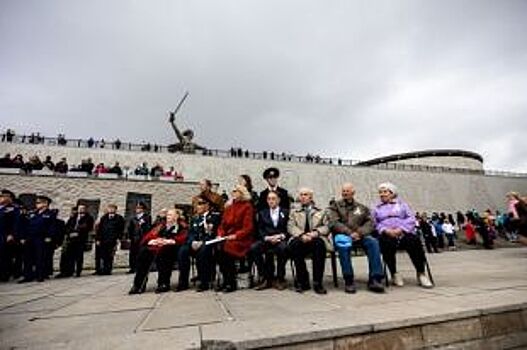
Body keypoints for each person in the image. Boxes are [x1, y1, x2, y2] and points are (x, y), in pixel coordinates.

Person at [327, 183, 385, 294]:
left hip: (360, 236)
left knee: (373, 242)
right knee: (343, 247)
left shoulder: (362, 208)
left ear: (353, 193)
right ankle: (349, 280)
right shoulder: (335, 206)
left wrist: (359, 233)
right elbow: (334, 222)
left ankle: (375, 279)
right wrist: (349, 233)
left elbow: (370, 223)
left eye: (347, 191)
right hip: (343, 236)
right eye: (343, 191)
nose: (345, 193)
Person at [373, 183, 433, 288]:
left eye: (385, 192)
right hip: (387, 234)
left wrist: (401, 229)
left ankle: (421, 273)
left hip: (403, 232)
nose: (382, 194)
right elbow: (374, 223)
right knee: (385, 242)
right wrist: (385, 230)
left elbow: (411, 219)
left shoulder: (402, 205)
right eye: (380, 192)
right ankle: (394, 273)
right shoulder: (376, 208)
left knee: (414, 241)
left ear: (392, 193)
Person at [129, 209, 188, 294]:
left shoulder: (182, 225)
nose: (168, 217)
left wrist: (168, 241)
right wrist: (153, 241)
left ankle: (163, 283)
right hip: (157, 246)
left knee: (164, 252)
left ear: (176, 216)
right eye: (167, 215)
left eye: (171, 215)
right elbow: (150, 235)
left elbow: (184, 237)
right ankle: (138, 285)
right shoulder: (161, 225)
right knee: (144, 252)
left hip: (172, 248)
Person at [288, 188, 330, 294]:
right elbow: (290, 226)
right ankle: (303, 281)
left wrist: (315, 233)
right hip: (300, 238)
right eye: (301, 194)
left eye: (305, 194)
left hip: (315, 238)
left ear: (311, 197)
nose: (302, 197)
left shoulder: (321, 211)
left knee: (320, 245)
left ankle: (318, 282)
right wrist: (302, 235)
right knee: (295, 245)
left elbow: (327, 226)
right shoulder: (294, 212)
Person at [178, 195, 221, 292]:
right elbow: (191, 233)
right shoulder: (195, 218)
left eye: (200, 204)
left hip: (209, 243)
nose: (197, 206)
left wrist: (202, 242)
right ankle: (183, 282)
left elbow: (214, 233)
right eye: (197, 204)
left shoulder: (215, 217)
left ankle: (204, 281)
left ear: (207, 205)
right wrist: (192, 241)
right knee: (183, 251)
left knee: (203, 250)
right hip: (195, 243)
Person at [216, 185, 255, 292]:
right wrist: (220, 234)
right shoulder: (229, 207)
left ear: (241, 193)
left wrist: (236, 235)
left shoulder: (247, 206)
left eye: (235, 191)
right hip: (227, 237)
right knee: (218, 248)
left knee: (228, 248)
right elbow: (222, 225)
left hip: (242, 239)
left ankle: (230, 282)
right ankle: (225, 280)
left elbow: (248, 227)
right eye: (232, 191)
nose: (232, 193)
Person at [249, 191, 289, 290]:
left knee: (283, 249)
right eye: (269, 199)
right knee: (254, 248)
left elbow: (288, 228)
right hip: (267, 239)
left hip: (280, 239)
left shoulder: (286, 212)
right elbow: (260, 229)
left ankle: (280, 278)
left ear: (279, 200)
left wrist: (281, 236)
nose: (271, 201)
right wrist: (267, 238)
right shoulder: (263, 213)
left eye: (273, 199)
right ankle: (265, 277)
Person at [19, 195, 57, 283]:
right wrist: (23, 237)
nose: (36, 204)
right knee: (27, 258)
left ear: (45, 204)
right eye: (37, 202)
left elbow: (52, 227)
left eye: (38, 202)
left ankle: (40, 275)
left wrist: (49, 236)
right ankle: (27, 276)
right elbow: (26, 225)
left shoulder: (50, 214)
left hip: (41, 238)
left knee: (40, 257)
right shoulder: (33, 213)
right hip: (30, 238)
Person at [62, 204, 94, 277]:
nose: (80, 210)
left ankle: (78, 271)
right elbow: (68, 226)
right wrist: (70, 233)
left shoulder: (88, 218)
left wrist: (77, 233)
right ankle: (70, 271)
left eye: (82, 208)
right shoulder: (73, 217)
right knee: (70, 256)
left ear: (85, 209)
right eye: (79, 208)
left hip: (81, 239)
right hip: (71, 239)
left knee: (79, 256)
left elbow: (87, 227)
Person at [94, 204, 125, 275]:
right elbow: (100, 229)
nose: (111, 210)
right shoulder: (104, 218)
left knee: (110, 255)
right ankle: (102, 269)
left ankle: (108, 270)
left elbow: (121, 229)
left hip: (112, 240)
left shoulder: (119, 218)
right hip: (103, 239)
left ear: (115, 210)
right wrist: (98, 239)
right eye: (109, 208)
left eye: (112, 208)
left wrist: (118, 238)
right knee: (103, 255)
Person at [0, 189, 21, 282]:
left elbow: (16, 223)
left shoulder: (13, 208)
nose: (3, 197)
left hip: (5, 234)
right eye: (2, 195)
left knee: (5, 256)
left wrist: (12, 234)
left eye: (5, 196)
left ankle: (4, 275)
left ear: (10, 198)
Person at [126, 202, 152, 274]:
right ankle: (132, 267)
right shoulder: (133, 218)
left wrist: (142, 224)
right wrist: (128, 237)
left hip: (142, 238)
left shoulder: (147, 217)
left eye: (139, 208)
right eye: (137, 208)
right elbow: (130, 228)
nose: (137, 209)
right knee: (132, 254)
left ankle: (139, 267)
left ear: (142, 209)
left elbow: (148, 228)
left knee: (140, 254)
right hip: (134, 238)